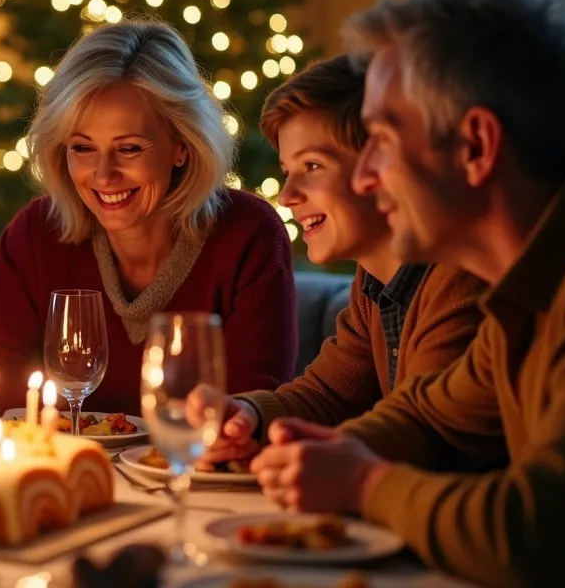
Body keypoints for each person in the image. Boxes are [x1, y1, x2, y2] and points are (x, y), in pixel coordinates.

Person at [249, 0, 565, 586]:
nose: (366, 177)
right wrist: (315, 452)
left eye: (383, 140)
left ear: (476, 146)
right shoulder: (530, 281)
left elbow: (545, 533)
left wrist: (364, 482)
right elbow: (430, 419)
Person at [0, 19, 297, 416]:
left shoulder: (249, 233)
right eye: (82, 148)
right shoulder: (39, 232)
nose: (103, 175)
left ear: (181, 146)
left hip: (194, 458)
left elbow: (250, 416)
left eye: (129, 148)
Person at [190, 55, 487, 466]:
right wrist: (249, 414)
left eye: (312, 166)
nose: (287, 195)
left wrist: (308, 451)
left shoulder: (457, 277)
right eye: (287, 170)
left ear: (379, 165)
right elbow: (328, 395)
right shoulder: (373, 284)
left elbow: (424, 432)